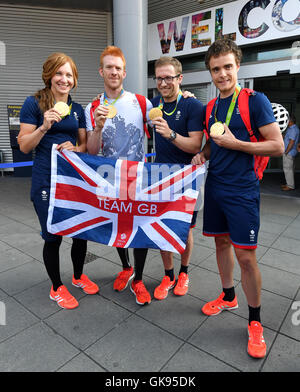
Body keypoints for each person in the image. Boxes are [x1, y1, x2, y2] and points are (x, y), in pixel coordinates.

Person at [191, 39, 284, 358]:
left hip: (243, 190)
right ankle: (228, 295)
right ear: (210, 72)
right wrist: (202, 155)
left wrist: (238, 145)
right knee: (220, 244)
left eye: (227, 67)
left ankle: (255, 322)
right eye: (215, 69)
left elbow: (277, 146)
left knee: (246, 257)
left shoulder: (255, 101)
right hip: (215, 187)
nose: (222, 74)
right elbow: (212, 145)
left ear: (238, 66)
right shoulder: (209, 108)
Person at [18, 52, 99, 310]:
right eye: (59, 73)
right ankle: (56, 286)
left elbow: (86, 145)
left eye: (69, 75)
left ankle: (77, 276)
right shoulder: (33, 104)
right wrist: (43, 127)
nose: (64, 79)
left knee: (80, 233)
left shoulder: (77, 109)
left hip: (74, 182)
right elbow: (23, 146)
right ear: (49, 76)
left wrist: (76, 147)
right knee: (53, 236)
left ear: (74, 80)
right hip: (46, 181)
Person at [85, 46, 152, 305]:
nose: (114, 72)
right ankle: (126, 267)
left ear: (125, 72)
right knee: (119, 228)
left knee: (140, 228)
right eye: (109, 67)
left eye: (118, 68)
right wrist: (98, 127)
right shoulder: (93, 107)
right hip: (110, 179)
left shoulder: (140, 102)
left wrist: (184, 96)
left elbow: (164, 117)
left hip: (139, 178)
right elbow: (91, 150)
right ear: (102, 71)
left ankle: (139, 280)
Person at [150, 56, 204, 300]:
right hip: (160, 176)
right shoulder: (153, 105)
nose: (163, 83)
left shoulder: (193, 106)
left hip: (186, 177)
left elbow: (195, 145)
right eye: (159, 78)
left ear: (179, 79)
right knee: (162, 227)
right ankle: (168, 274)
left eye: (168, 78)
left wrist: (170, 134)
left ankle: (184, 272)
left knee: (185, 229)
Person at [281, 113, 299, 191]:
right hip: (291, 152)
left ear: (290, 121)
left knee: (288, 169)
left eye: (286, 120)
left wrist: (286, 152)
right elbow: (288, 137)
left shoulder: (293, 130)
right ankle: (288, 183)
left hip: (289, 153)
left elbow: (291, 142)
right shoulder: (291, 128)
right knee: (290, 169)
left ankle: (290, 186)